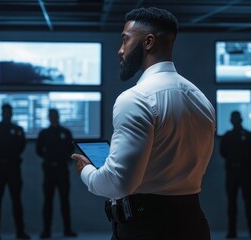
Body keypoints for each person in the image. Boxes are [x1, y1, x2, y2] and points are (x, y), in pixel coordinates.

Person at [71, 7, 216, 240]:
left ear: (148, 42)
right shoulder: (201, 99)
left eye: (125, 40)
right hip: (194, 225)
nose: (120, 50)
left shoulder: (136, 99)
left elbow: (119, 184)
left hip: (147, 229)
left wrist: (85, 171)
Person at [0, 104, 30, 240]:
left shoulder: (17, 130)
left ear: (12, 113)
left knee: (16, 201)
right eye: (5, 112)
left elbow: (22, 146)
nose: (7, 114)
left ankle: (20, 232)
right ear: (2, 113)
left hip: (13, 168)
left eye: (9, 112)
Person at [36, 109, 77, 239]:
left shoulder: (66, 132)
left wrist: (64, 159)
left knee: (64, 200)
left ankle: (67, 229)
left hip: (62, 170)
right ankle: (46, 230)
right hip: (49, 170)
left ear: (58, 117)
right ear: (49, 118)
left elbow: (71, 149)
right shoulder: (44, 133)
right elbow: (38, 150)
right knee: (48, 201)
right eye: (51, 116)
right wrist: (49, 159)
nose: (53, 118)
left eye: (55, 116)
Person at [220, 111, 251, 239]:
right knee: (232, 203)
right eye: (234, 119)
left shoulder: (249, 135)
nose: (236, 121)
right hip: (233, 172)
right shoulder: (227, 136)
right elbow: (223, 152)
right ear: (231, 121)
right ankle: (232, 231)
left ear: (240, 120)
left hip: (245, 172)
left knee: (248, 203)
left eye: (237, 119)